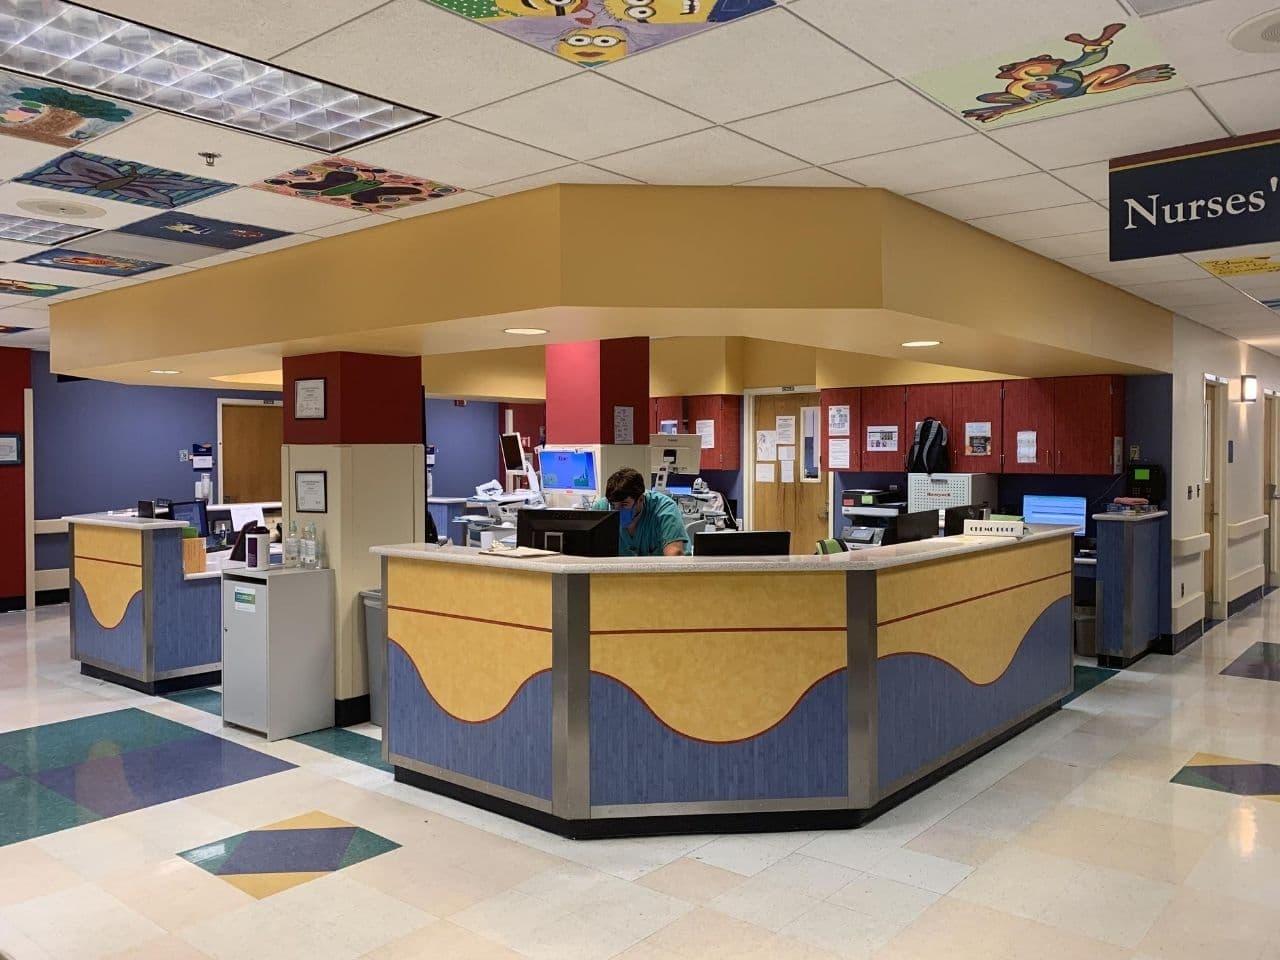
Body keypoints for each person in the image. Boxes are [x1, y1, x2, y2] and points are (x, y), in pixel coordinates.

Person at [593, 467, 691, 557]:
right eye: (613, 506)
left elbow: (674, 556)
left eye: (624, 505)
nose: (618, 511)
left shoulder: (664, 510)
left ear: (641, 499)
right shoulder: (601, 509)